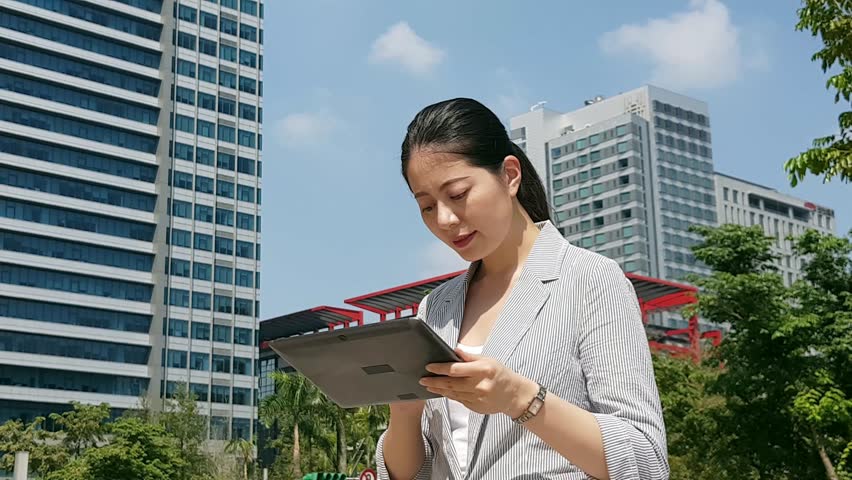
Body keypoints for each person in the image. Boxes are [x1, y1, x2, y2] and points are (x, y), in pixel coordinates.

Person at [375, 98, 669, 480]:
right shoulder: (435, 308)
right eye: (427, 206)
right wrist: (404, 410)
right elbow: (411, 473)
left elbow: (644, 460)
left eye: (458, 194)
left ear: (510, 175)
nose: (445, 219)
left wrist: (519, 398)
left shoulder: (589, 279)